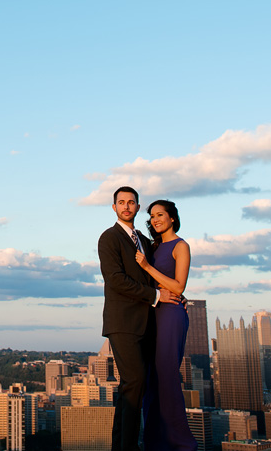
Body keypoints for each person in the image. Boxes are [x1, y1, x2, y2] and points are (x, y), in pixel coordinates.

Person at [98, 186, 181, 451]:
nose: (126, 206)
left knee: (134, 387)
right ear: (114, 208)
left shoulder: (144, 241)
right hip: (123, 323)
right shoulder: (109, 238)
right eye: (120, 202)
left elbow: (156, 276)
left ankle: (122, 446)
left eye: (131, 202)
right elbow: (116, 280)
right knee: (134, 382)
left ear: (136, 207)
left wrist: (174, 298)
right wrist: (156, 296)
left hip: (147, 323)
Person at [135, 200, 198, 451]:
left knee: (167, 376)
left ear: (172, 218)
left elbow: (179, 286)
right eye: (151, 216)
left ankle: (181, 443)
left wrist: (147, 267)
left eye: (160, 214)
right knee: (151, 377)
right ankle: (155, 441)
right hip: (153, 313)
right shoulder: (153, 246)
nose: (155, 219)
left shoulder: (181, 246)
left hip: (171, 314)